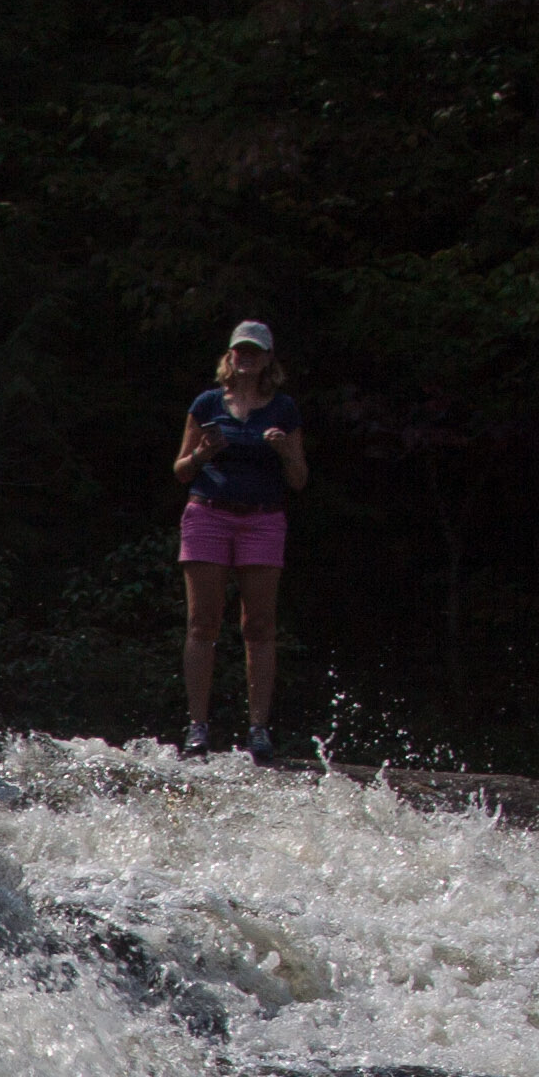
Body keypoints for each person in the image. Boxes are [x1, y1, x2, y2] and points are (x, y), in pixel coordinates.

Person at [174, 319, 309, 761]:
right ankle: (197, 726)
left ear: (268, 359)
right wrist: (203, 453)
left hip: (262, 519)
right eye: (240, 350)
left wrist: (284, 451)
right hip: (208, 514)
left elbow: (299, 479)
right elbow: (181, 470)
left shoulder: (283, 409)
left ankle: (258, 729)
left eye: (254, 351)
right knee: (202, 623)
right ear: (230, 356)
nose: (245, 357)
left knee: (259, 625)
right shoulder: (207, 403)